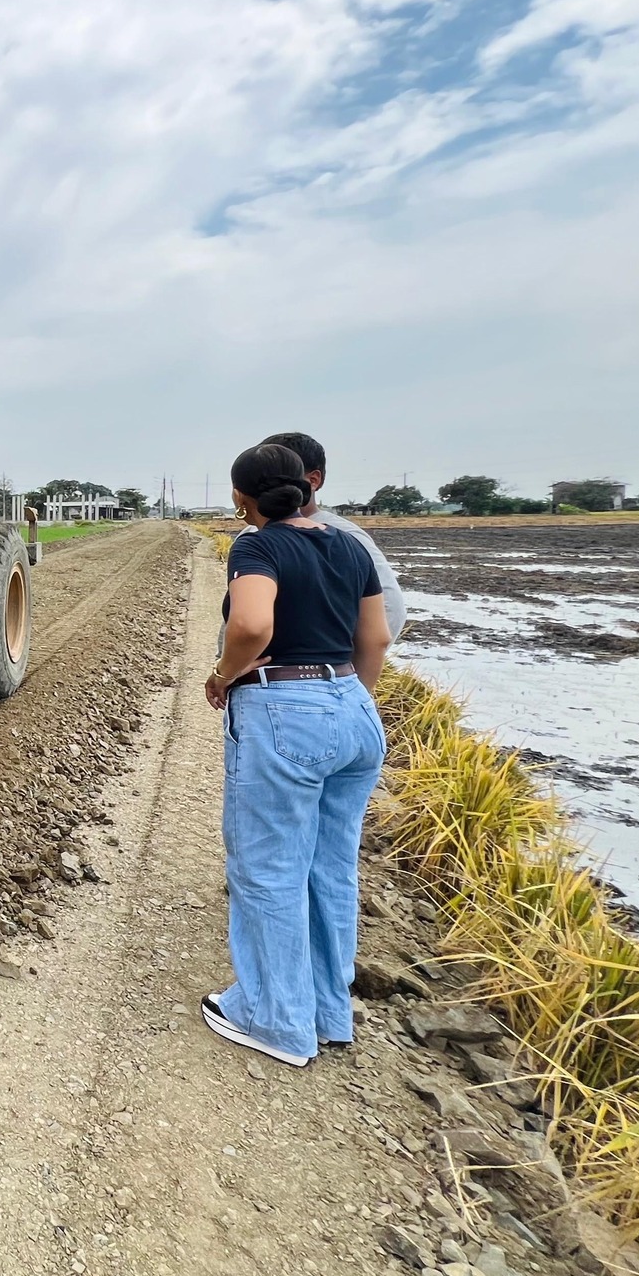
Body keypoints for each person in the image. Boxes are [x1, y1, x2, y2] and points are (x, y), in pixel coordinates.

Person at [202, 442, 392, 1067]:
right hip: (354, 707)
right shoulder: (351, 547)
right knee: (330, 868)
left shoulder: (257, 547)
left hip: (285, 706)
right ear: (309, 487)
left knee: (268, 869)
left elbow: (252, 625)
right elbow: (375, 638)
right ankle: (329, 1014)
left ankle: (275, 1021)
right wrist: (346, 704)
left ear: (241, 498)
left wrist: (224, 675)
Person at [260, 431, 406, 638]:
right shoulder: (252, 535)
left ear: (313, 480)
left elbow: (391, 608)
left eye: (280, 477)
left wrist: (349, 657)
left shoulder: (346, 537)